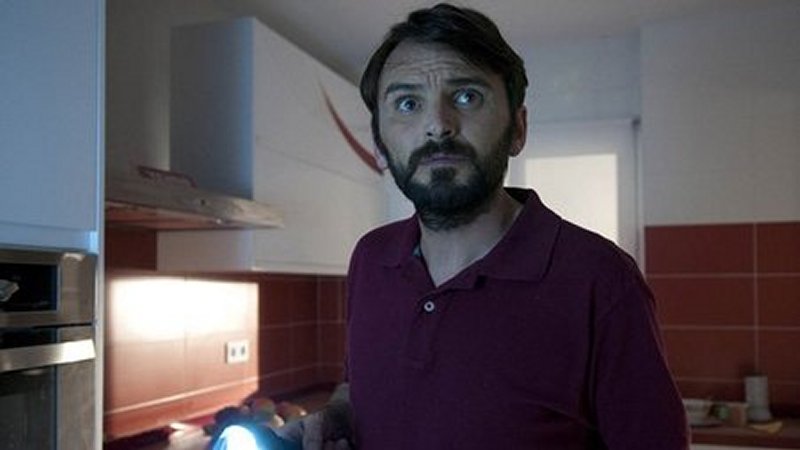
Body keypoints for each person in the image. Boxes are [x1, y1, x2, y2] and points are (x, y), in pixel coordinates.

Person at [279, 3, 689, 449]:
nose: (438, 125)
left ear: (517, 129)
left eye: (466, 97)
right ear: (379, 145)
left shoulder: (602, 279)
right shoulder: (370, 258)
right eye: (408, 103)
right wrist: (339, 416)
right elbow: (358, 385)